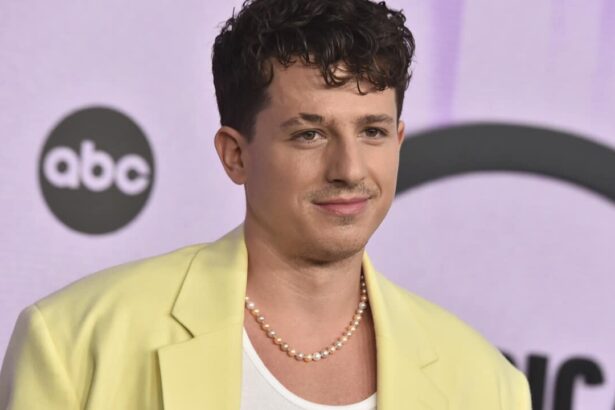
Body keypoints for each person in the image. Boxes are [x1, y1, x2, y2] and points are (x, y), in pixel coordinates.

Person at [0, 0, 531, 408]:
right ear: (235, 155)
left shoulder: (489, 386)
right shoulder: (74, 343)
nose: (349, 169)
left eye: (371, 131)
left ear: (398, 142)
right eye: (309, 134)